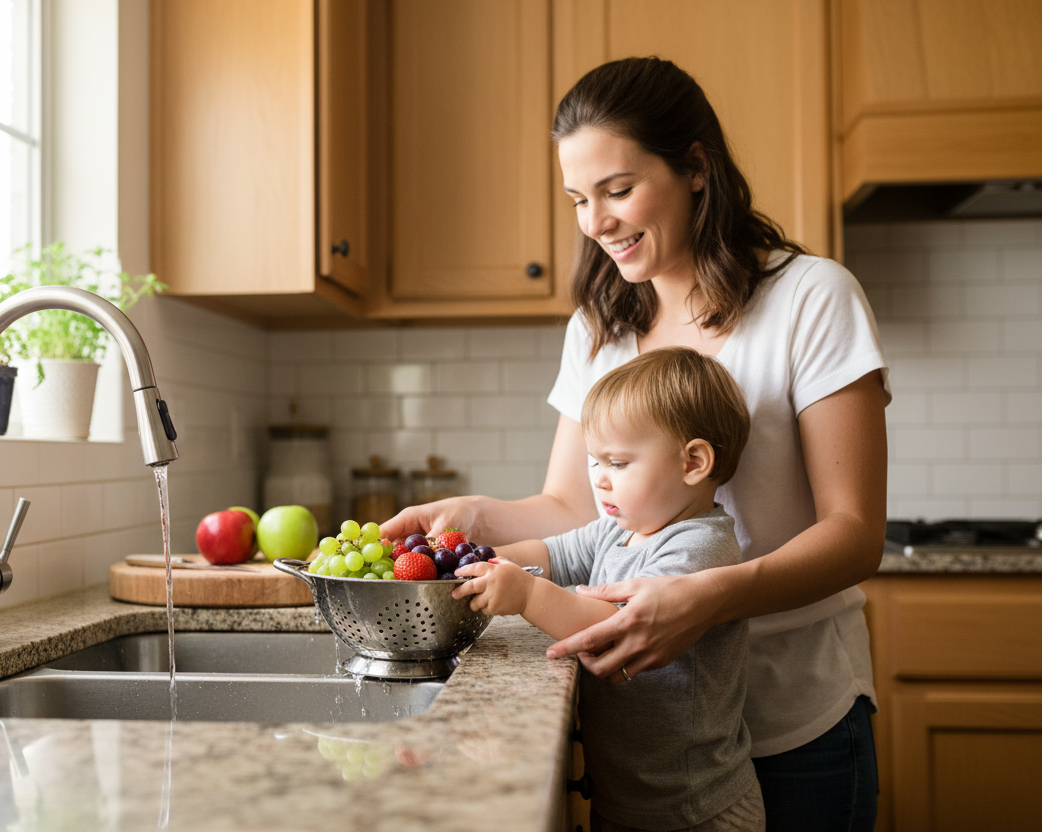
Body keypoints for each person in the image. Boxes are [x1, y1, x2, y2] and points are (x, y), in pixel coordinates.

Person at [381, 56, 889, 832]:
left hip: (796, 719)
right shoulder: (598, 327)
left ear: (695, 167)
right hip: (652, 734)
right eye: (579, 199)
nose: (595, 222)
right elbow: (570, 508)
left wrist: (706, 598)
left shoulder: (809, 298)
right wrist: (472, 520)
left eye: (617, 191)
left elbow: (853, 536)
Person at [454, 346, 762, 831]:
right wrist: (474, 557)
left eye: (617, 463)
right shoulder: (620, 528)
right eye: (593, 461)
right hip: (627, 798)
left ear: (694, 462)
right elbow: (550, 554)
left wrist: (529, 596)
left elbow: (620, 630)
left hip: (697, 808)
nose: (598, 480)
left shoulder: (702, 548)